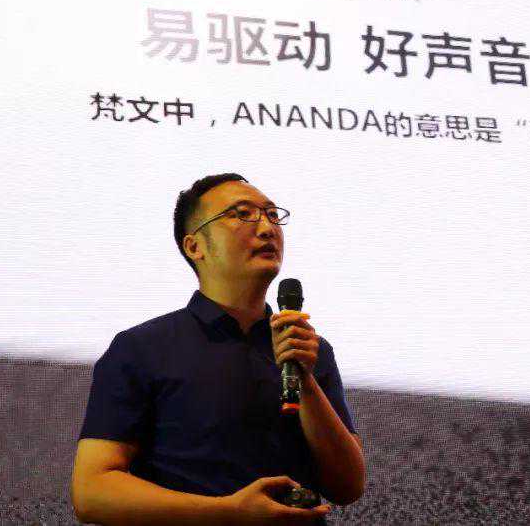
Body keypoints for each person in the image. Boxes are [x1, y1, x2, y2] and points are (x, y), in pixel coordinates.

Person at [71, 173, 365, 525]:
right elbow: (92, 491)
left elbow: (348, 486)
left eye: (273, 215)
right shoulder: (141, 349)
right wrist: (230, 513)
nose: (267, 228)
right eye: (242, 214)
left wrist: (306, 381)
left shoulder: (308, 349)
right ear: (195, 246)